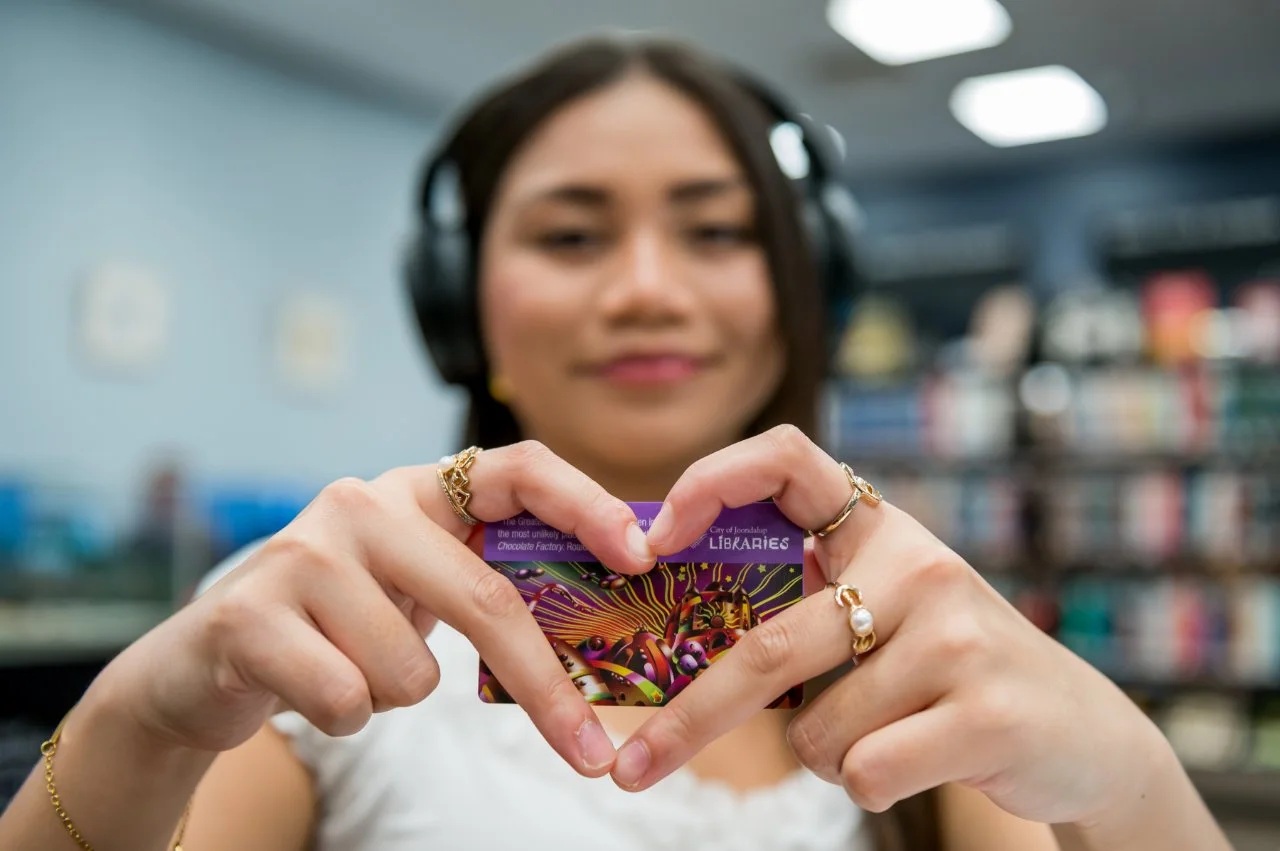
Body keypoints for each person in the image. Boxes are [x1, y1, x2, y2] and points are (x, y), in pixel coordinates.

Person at [0, 34, 1232, 851]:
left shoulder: (913, 630)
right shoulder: (315, 637)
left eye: (711, 232)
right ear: (457, 299)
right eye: (573, 236)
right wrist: (142, 727)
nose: (646, 288)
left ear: (802, 289)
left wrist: (1128, 775)